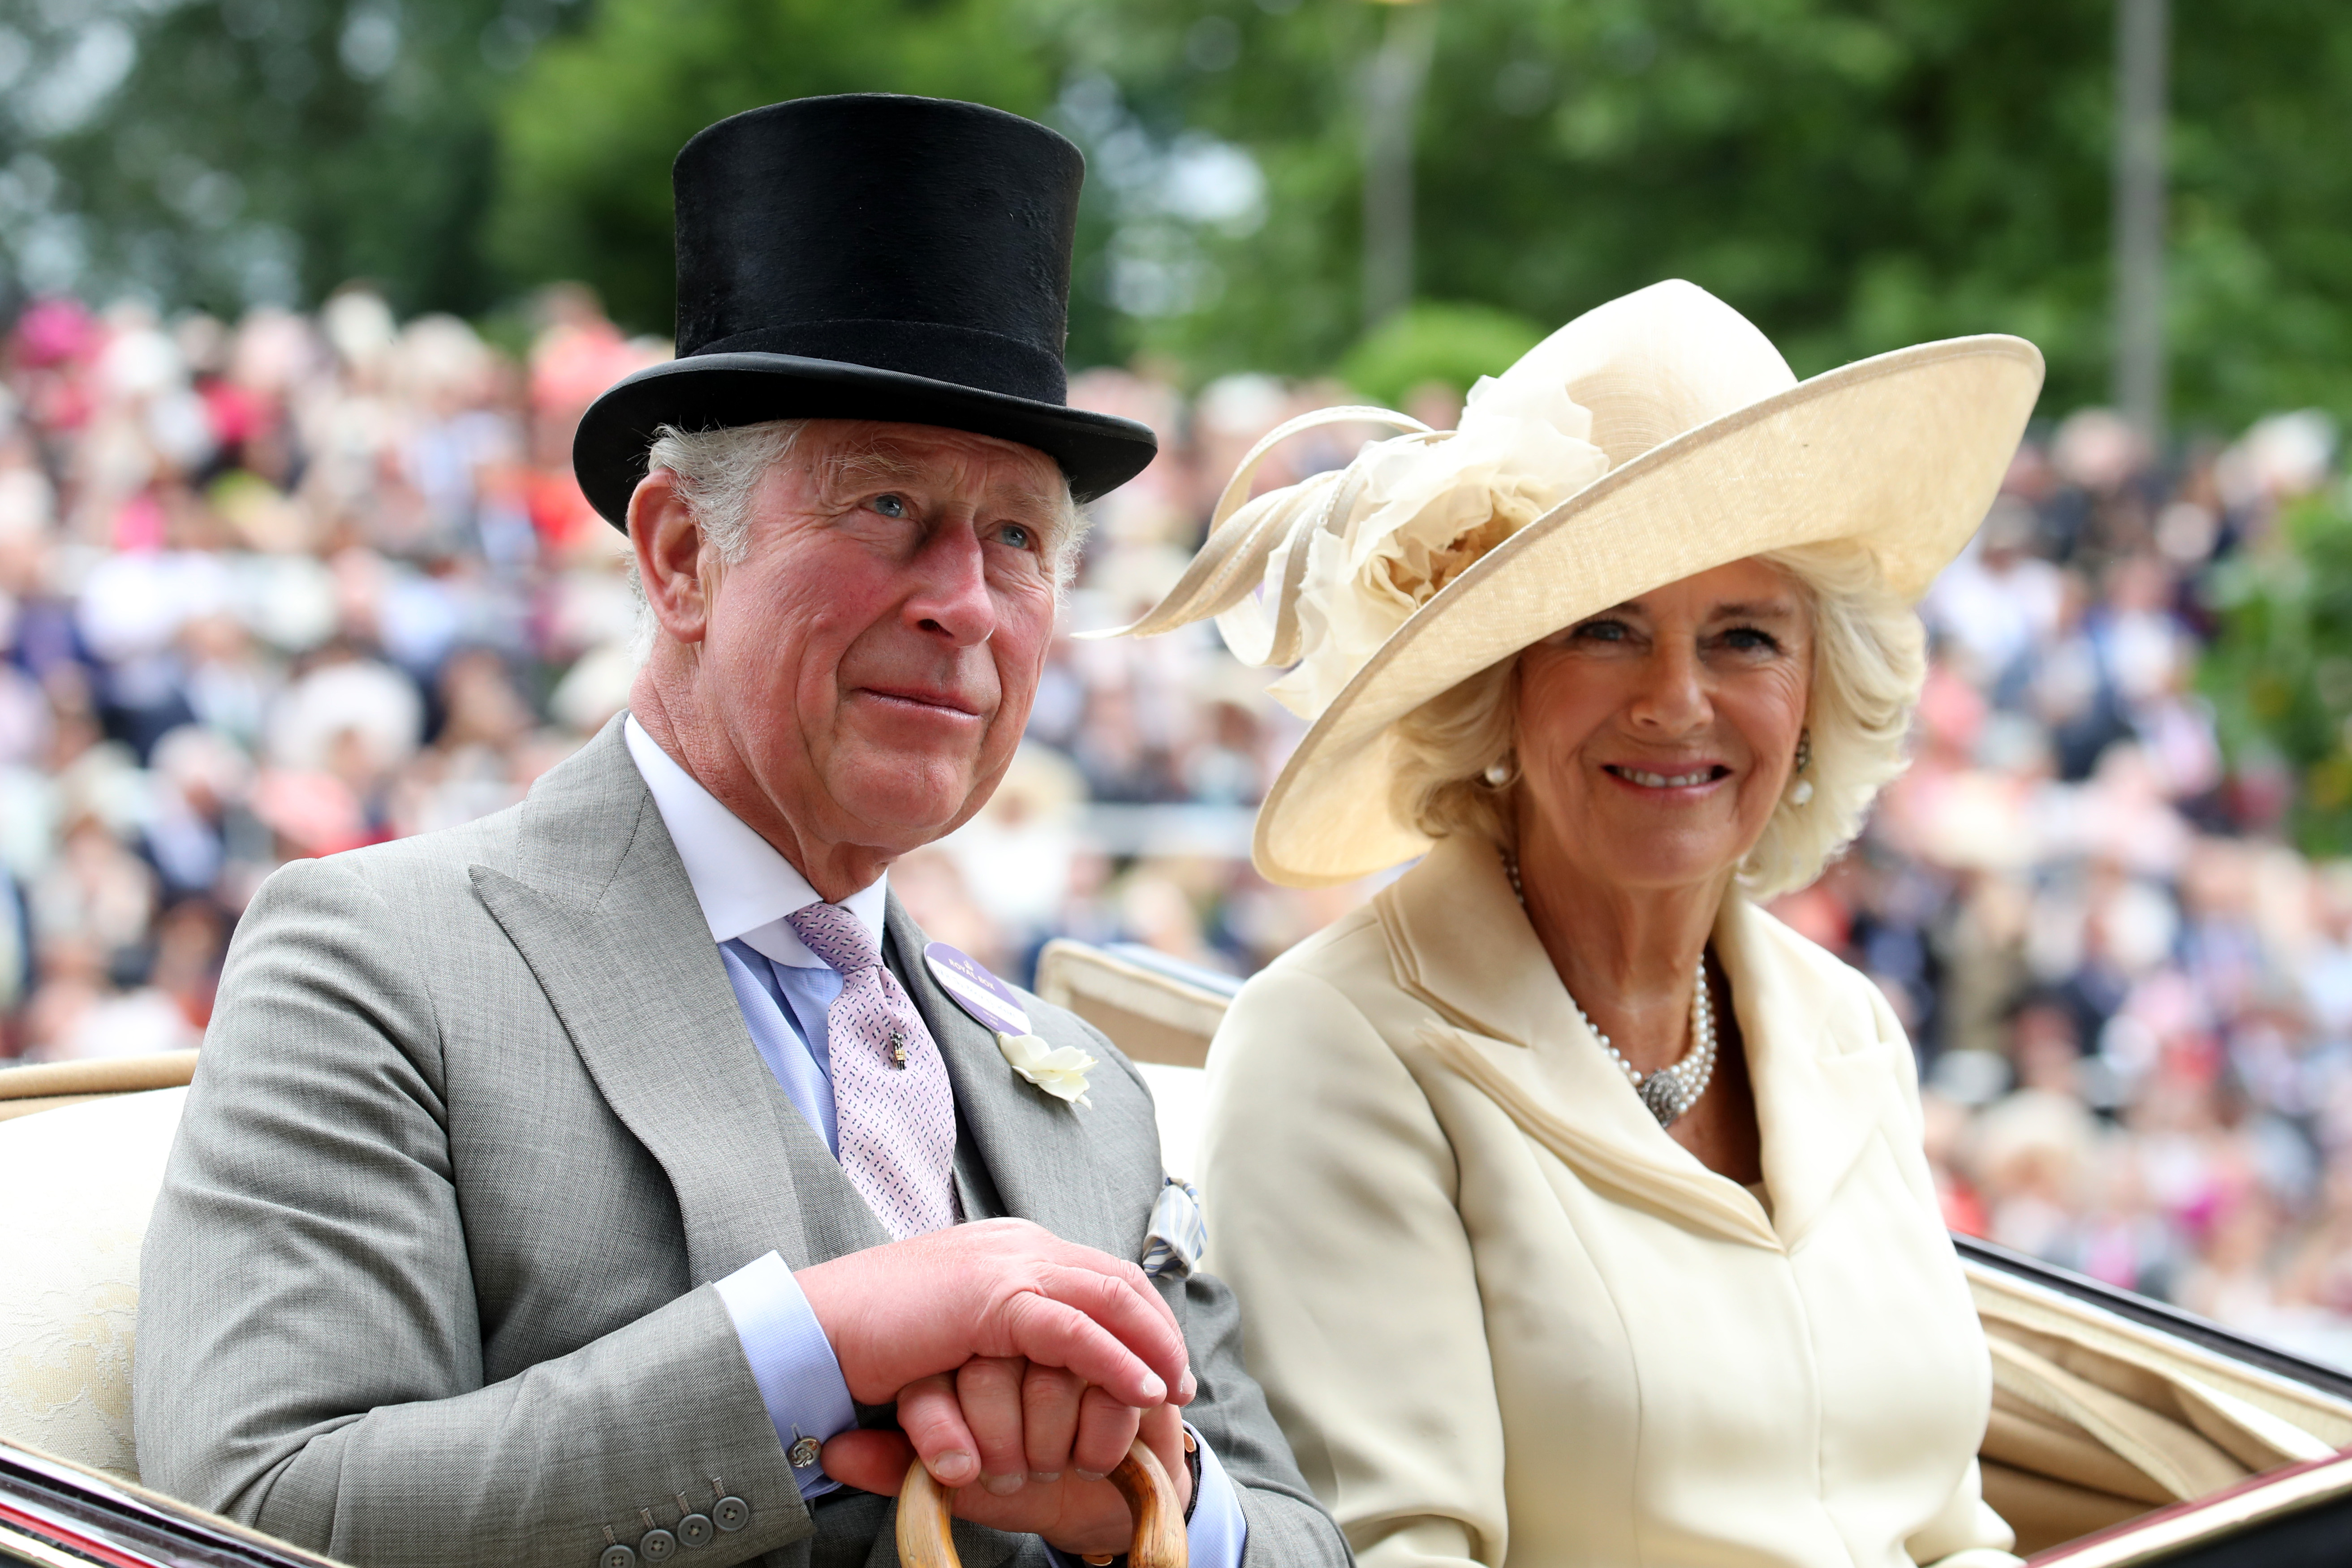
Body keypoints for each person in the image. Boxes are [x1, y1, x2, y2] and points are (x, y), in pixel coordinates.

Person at [134, 96, 1347, 1568]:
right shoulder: (381, 959)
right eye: (888, 502)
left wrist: (1140, 1507)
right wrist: (820, 1339)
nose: (962, 598)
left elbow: (1299, 1544)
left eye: (1018, 536)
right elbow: (254, 1510)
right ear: (680, 552)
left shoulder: (1077, 1086)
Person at [1113, 280, 2044, 1568]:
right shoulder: (1337, 1046)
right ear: (1500, 687)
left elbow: (1945, 1529)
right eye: (1605, 630)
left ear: (1818, 689)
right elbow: (1393, 1551)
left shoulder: (1847, 1031)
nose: (1675, 701)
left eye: (1742, 636)